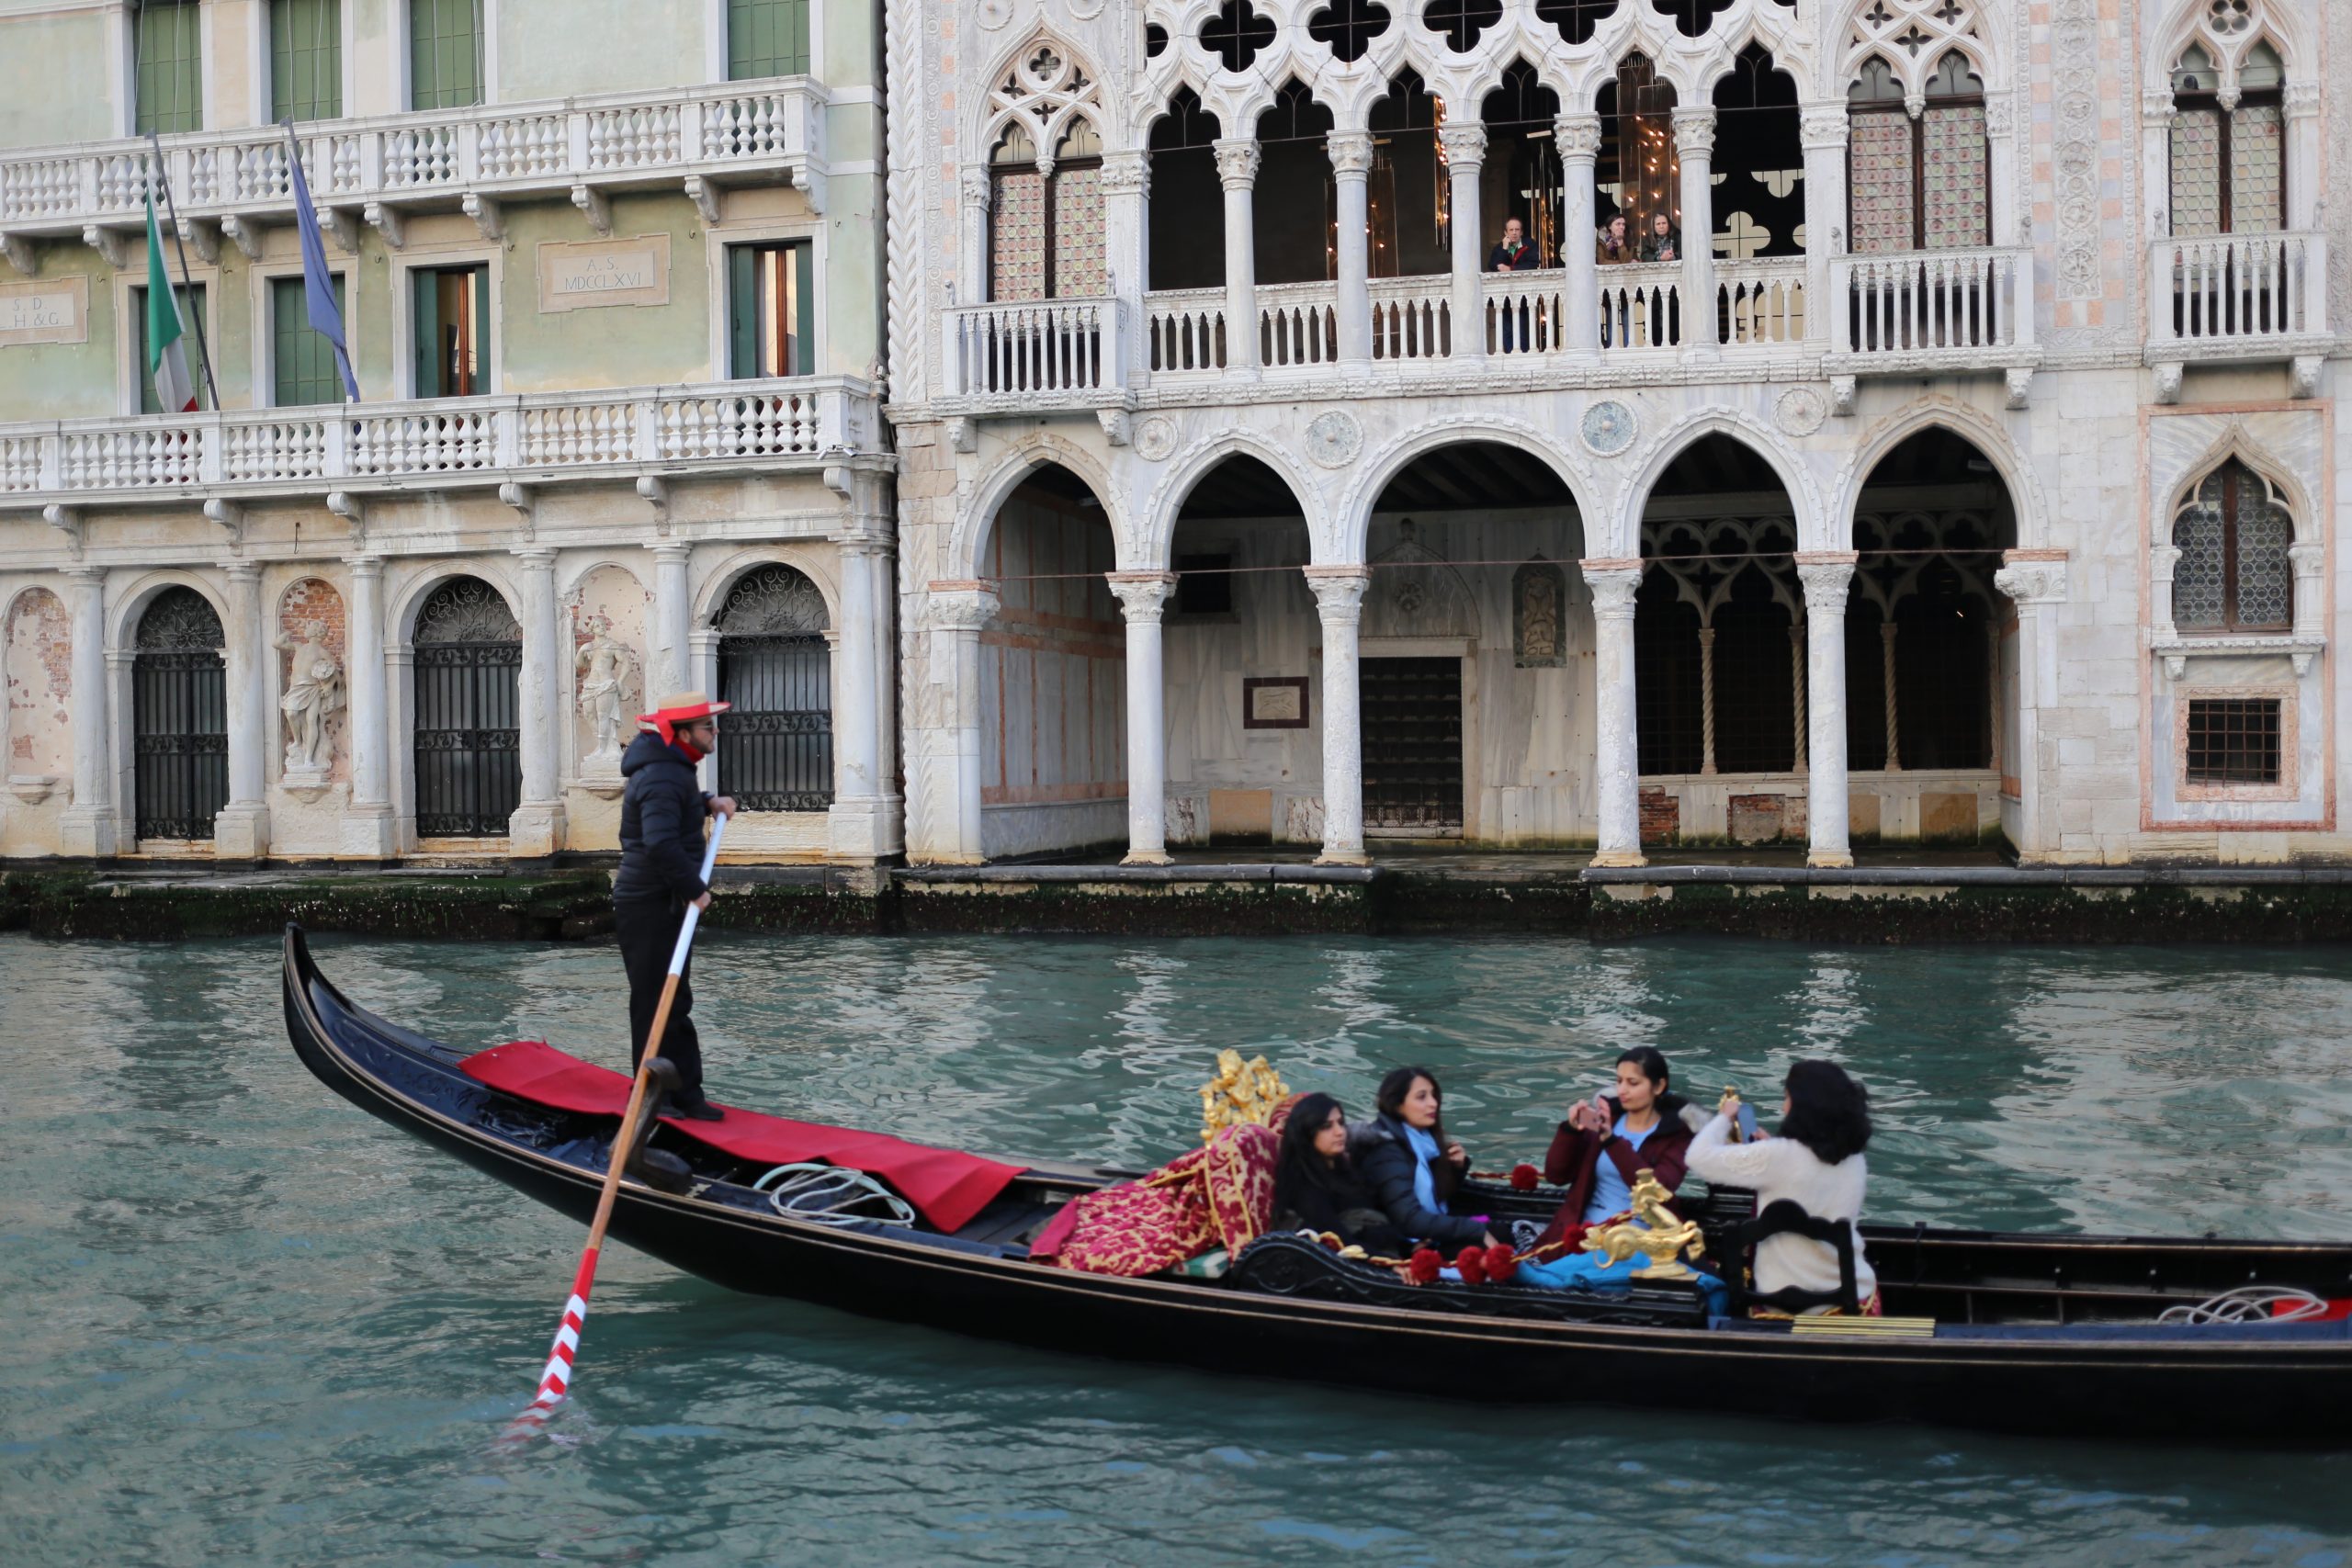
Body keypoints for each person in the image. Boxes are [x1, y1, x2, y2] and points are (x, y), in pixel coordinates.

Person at [615, 691, 738, 1121]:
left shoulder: (673, 770)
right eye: (708, 726)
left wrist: (707, 803)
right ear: (684, 733)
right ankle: (654, 1098)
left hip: (661, 899)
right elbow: (660, 843)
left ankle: (685, 1094)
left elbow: (671, 816)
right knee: (655, 1002)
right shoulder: (664, 776)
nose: (714, 732)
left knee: (675, 1000)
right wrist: (694, 890)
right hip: (649, 902)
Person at [1686, 1060, 1879, 1314]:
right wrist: (1773, 1146)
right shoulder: (1855, 1158)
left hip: (1781, 1303)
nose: (1783, 1106)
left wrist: (1725, 1117)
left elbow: (1696, 1158)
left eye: (1787, 1098)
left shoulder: (1775, 1156)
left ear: (1802, 1106)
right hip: (1854, 1294)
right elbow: (1806, 1169)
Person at [1530, 1045, 1702, 1254]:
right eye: (1619, 1081)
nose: (1622, 1090)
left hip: (1639, 1235)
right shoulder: (1605, 1118)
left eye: (1633, 1083)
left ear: (1658, 1087)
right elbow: (1556, 1175)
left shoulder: (1677, 1135)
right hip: (1585, 1229)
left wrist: (1611, 1141)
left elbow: (1657, 1191)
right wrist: (1571, 1131)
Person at [1351, 1066, 1496, 1252]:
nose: (1433, 1103)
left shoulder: (1424, 1141)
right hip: (1406, 1244)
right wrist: (1477, 1230)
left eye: (1433, 1095)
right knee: (1484, 1242)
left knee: (1501, 1230)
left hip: (1428, 1231)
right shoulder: (1386, 1150)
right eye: (1422, 1097)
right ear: (1397, 1105)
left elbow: (1438, 1197)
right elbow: (1410, 1220)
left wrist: (1456, 1169)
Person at [1272, 1093, 1404, 1254]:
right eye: (1327, 1126)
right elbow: (1338, 1241)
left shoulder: (1344, 1169)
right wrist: (1395, 1265)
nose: (1340, 1132)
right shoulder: (1303, 1183)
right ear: (1307, 1133)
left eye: (1341, 1123)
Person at [1487, 217, 1543, 352]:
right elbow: (1494, 266)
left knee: (1522, 328)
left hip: (1524, 295)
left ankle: (1522, 355)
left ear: (1522, 232)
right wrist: (1505, 248)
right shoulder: (1500, 248)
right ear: (1505, 232)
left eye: (1517, 229)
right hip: (1505, 296)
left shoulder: (1529, 244)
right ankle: (1510, 354)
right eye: (1511, 230)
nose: (1514, 233)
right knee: (1507, 329)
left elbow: (1533, 264)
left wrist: (1511, 269)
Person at [1594, 215, 1634, 347]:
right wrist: (1621, 263)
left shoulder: (1628, 240)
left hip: (1626, 284)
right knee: (1611, 317)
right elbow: (1602, 261)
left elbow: (1629, 259)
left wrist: (1621, 243)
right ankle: (1612, 346)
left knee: (1627, 318)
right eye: (1618, 224)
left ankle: (1628, 346)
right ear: (1610, 226)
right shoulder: (1601, 241)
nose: (1621, 227)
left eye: (1623, 224)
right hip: (1609, 285)